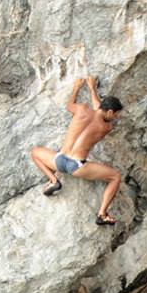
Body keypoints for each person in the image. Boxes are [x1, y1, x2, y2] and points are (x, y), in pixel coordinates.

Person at [30, 76, 124, 226]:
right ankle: (102, 214)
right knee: (115, 177)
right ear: (111, 112)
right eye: (116, 114)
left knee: (35, 152)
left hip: (59, 160)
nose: (115, 118)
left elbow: (70, 105)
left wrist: (77, 88)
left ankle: (53, 180)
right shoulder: (106, 127)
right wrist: (93, 89)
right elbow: (99, 111)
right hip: (77, 166)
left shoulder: (81, 110)